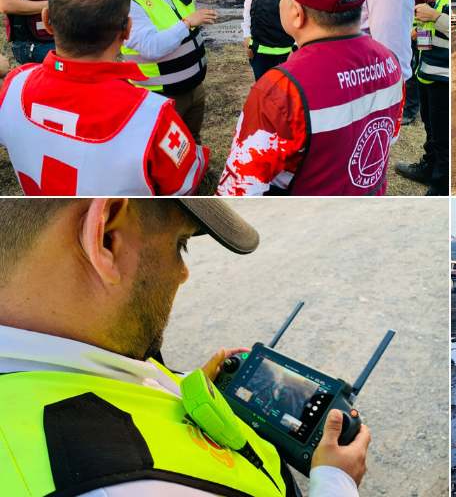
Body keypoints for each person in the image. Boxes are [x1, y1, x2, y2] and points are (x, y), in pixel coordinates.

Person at [0, 198, 369, 496]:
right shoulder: (137, 487)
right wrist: (335, 482)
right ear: (107, 236)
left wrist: (176, 390)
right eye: (181, 244)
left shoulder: (70, 357)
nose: (183, 273)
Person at [0, 0, 208, 196]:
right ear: (127, 30)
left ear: (46, 20)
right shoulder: (152, 115)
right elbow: (186, 185)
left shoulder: (13, 87)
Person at [217, 0, 404, 196]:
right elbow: (387, 137)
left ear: (297, 14)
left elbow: (239, 191)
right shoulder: (390, 62)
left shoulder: (280, 90)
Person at [117, 0, 219, 143]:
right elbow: (151, 47)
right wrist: (187, 23)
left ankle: (197, 173)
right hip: (160, 96)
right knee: (166, 152)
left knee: (192, 140)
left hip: (193, 87)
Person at [395, 0, 450, 196]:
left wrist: (432, 18)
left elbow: (438, 14)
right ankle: (430, 167)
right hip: (429, 62)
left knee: (441, 132)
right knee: (432, 127)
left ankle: (440, 185)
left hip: (442, 68)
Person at [398, 0, 440, 126]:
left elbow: (434, 6)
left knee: (417, 69)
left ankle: (411, 110)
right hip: (406, 30)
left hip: (423, 31)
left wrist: (419, 31)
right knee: (406, 66)